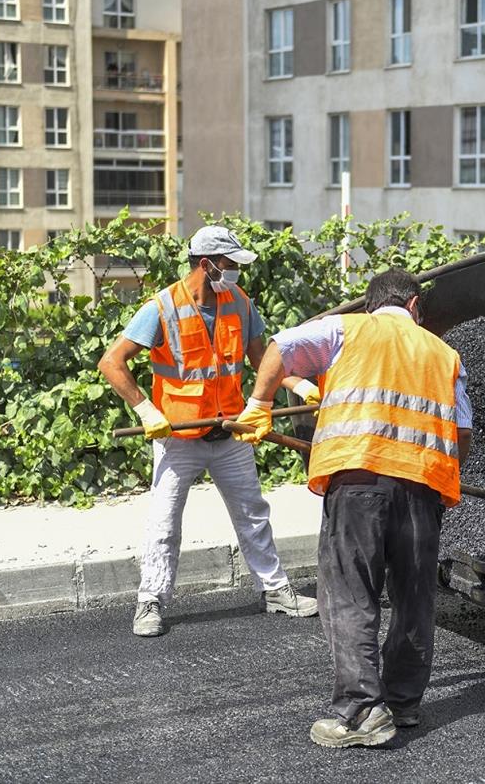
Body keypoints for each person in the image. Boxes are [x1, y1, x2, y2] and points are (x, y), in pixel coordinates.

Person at [238, 269, 473, 749]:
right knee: (414, 597)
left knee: (349, 595)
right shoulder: (445, 354)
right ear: (413, 306)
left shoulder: (347, 329)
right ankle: (403, 702)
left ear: (374, 305)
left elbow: (280, 347)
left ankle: (362, 711)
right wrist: (442, 476)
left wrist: (259, 402)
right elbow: (462, 433)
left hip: (359, 482)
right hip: (423, 488)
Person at [98, 225, 320, 637]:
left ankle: (274, 590)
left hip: (230, 429)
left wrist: (295, 383)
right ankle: (151, 600)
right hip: (179, 436)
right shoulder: (162, 308)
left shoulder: (237, 300)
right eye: (230, 264)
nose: (236, 272)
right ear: (208, 265)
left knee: (253, 514)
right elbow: (112, 362)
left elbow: (261, 358)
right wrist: (145, 409)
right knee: (164, 524)